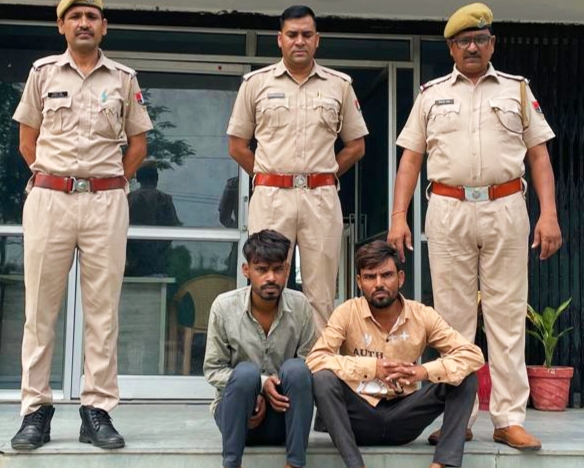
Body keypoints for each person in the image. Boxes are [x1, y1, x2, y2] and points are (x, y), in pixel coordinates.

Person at [388, 2, 562, 451]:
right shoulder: (431, 95)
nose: (472, 47)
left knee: (508, 315)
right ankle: (457, 418)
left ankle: (508, 419)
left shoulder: (517, 90)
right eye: (463, 41)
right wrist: (398, 217)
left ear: (492, 44)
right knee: (452, 320)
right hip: (448, 209)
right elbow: (410, 159)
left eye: (480, 39)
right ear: (451, 48)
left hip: (506, 206)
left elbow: (539, 155)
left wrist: (548, 214)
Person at [11, 0, 152, 450]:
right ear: (61, 25)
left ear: (104, 26)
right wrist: (57, 180)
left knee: (103, 312)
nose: (84, 23)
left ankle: (97, 411)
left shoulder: (123, 78)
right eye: (75, 16)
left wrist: (109, 184)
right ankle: (35, 411)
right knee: (39, 311)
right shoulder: (43, 73)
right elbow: (27, 139)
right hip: (50, 200)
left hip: (105, 203)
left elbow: (138, 145)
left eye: (92, 16)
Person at [226, 5, 369, 334]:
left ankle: (318, 363)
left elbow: (356, 146)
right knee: (266, 283)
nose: (299, 41)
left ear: (317, 39)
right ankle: (264, 360)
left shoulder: (339, 85)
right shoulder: (256, 84)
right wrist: (266, 176)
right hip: (271, 196)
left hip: (320, 197)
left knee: (321, 291)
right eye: (292, 35)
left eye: (306, 34)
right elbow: (237, 145)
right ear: (280, 39)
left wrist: (326, 175)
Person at [306, 240, 484, 468]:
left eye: (386, 275)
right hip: (358, 417)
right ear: (359, 282)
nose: (378, 283)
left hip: (405, 415)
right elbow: (315, 360)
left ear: (400, 278)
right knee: (322, 378)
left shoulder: (422, 315)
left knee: (465, 377)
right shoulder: (347, 313)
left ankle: (442, 463)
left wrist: (423, 371)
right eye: (370, 277)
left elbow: (472, 355)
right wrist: (372, 368)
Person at [204, 229, 316, 468]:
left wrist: (274, 390)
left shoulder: (301, 306)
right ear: (247, 270)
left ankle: (295, 464)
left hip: (284, 417)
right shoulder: (224, 307)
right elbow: (213, 370)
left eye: (278, 269)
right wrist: (261, 385)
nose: (271, 277)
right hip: (239, 418)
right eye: (262, 269)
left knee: (298, 369)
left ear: (287, 270)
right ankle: (232, 464)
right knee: (246, 373)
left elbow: (310, 365)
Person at [126, 160, 181, 276]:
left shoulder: (130, 198)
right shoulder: (164, 199)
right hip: (154, 260)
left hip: (134, 260)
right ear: (156, 178)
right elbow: (172, 227)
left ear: (138, 178)